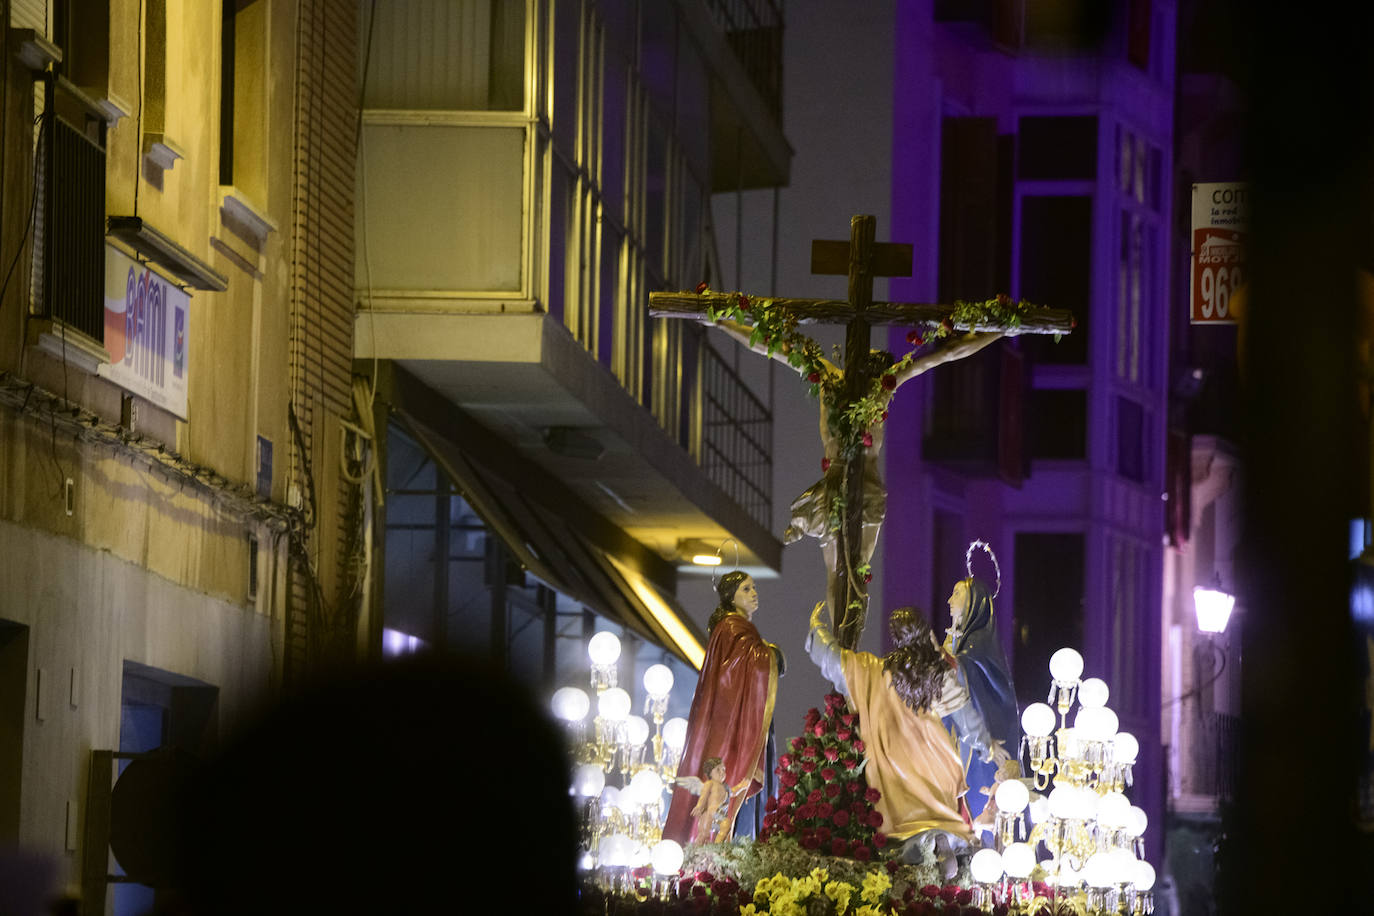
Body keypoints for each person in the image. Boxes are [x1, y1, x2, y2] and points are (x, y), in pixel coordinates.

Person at [712, 317, 1002, 634]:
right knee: (842, 571)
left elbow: (946, 354)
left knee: (856, 571)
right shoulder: (831, 378)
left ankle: (846, 646)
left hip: (862, 487)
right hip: (840, 485)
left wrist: (1001, 330)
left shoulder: (878, 383)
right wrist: (723, 321)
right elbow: (771, 346)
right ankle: (841, 648)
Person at [806, 601, 977, 876]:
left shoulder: (874, 669)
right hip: (935, 760)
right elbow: (967, 717)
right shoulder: (936, 669)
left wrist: (817, 628)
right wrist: (987, 746)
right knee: (940, 813)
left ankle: (927, 849)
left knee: (903, 826)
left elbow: (835, 659)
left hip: (895, 763)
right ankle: (941, 843)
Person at [662, 571, 782, 844]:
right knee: (732, 791)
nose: (754, 593)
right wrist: (771, 655)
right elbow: (732, 674)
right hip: (733, 723)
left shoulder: (739, 629)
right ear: (731, 597)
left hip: (750, 714)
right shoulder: (731, 628)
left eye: (754, 588)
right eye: (746, 589)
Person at [941, 575, 1020, 828]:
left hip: (978, 742)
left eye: (957, 594)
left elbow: (964, 677)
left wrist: (945, 660)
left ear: (974, 604)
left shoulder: (979, 646)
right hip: (953, 737)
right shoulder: (956, 643)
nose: (950, 600)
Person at [688, 757, 732, 844]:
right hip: (709, 815)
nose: (722, 772)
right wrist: (699, 806)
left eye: (723, 769)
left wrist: (742, 786)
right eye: (718, 770)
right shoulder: (710, 783)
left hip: (720, 814)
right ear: (710, 773)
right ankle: (694, 852)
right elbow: (703, 796)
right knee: (703, 835)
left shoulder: (725, 787)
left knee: (726, 825)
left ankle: (716, 847)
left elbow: (733, 792)